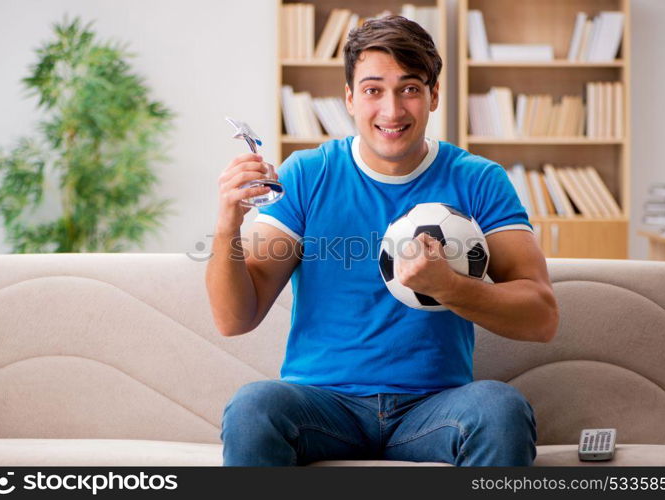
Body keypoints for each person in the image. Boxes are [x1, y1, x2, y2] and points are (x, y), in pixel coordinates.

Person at [206, 15, 559, 466]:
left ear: (433, 95)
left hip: (435, 408)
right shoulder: (307, 175)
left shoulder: (478, 180)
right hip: (322, 405)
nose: (392, 111)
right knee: (254, 407)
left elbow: (542, 318)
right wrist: (226, 226)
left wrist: (449, 287)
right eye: (374, 90)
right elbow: (234, 319)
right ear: (350, 98)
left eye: (409, 88)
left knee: (500, 407)